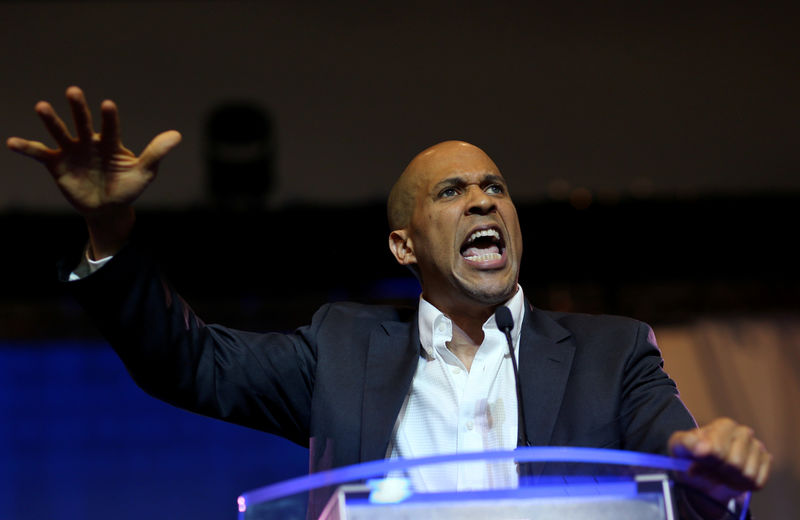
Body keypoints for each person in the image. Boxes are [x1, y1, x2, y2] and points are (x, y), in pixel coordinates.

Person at [8, 86, 772, 517]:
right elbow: (187, 361)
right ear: (404, 246)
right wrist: (109, 228)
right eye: (453, 192)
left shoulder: (615, 350)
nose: (482, 200)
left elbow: (674, 451)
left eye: (494, 188)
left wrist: (704, 458)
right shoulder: (340, 351)